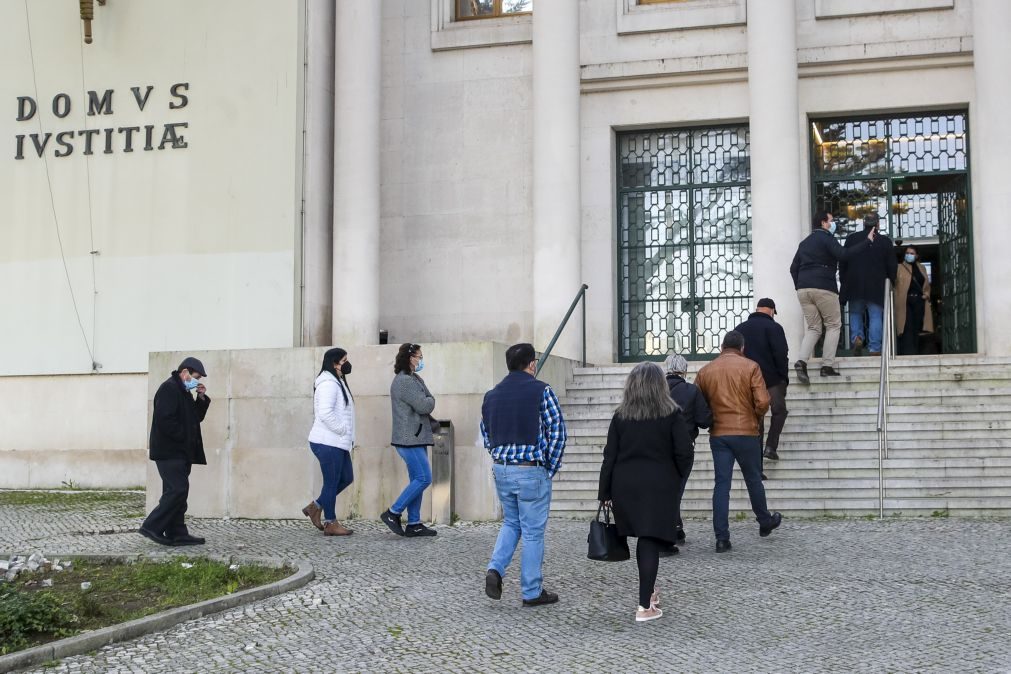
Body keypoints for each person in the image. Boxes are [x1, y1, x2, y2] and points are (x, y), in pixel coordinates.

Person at [598, 362, 694, 623]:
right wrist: (676, 477)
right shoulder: (672, 414)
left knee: (645, 538)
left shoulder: (620, 416)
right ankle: (644, 606)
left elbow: (610, 456)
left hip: (625, 485)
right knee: (649, 539)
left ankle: (649, 594)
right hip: (659, 485)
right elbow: (684, 453)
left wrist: (604, 491)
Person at [481, 343, 567, 607]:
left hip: (502, 468)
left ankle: (495, 569)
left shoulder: (491, 395)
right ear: (532, 364)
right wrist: (548, 467)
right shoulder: (542, 390)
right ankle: (531, 591)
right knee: (532, 532)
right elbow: (557, 433)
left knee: (511, 523)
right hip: (531, 468)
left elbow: (487, 434)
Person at [695, 331, 782, 553]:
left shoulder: (706, 371)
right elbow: (763, 401)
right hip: (747, 432)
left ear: (722, 346)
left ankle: (722, 538)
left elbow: (698, 403)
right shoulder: (751, 367)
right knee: (753, 479)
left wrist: (711, 419)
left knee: (721, 485)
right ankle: (764, 521)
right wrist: (755, 416)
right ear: (742, 348)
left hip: (719, 434)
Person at [790, 211, 874, 382]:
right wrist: (867, 242)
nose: (833, 223)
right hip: (824, 287)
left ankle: (801, 361)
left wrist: (800, 285)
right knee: (833, 324)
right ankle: (827, 366)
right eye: (831, 220)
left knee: (814, 327)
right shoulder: (827, 238)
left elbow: (793, 268)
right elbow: (844, 255)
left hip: (803, 290)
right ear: (823, 223)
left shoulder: (804, 243)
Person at [139, 356, 211, 547]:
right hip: (169, 452)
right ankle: (151, 526)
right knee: (178, 490)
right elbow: (165, 420)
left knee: (178, 491)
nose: (197, 381)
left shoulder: (183, 391)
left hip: (180, 452)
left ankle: (177, 532)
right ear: (185, 372)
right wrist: (184, 437)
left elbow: (195, 418)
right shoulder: (169, 388)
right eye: (196, 377)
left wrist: (201, 398)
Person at [380, 343, 438, 538]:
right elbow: (425, 405)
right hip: (409, 439)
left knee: (417, 479)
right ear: (410, 357)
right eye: (419, 357)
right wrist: (430, 399)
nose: (421, 360)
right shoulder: (405, 381)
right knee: (424, 478)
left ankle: (414, 523)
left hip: (415, 437)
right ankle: (393, 512)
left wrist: (428, 398)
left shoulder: (413, 378)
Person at [303, 347, 355, 537]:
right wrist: (342, 430)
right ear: (334, 363)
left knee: (346, 478)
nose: (347, 364)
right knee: (331, 482)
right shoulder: (328, 383)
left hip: (338, 442)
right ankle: (330, 523)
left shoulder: (336, 381)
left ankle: (315, 507)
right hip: (328, 441)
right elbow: (324, 413)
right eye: (344, 360)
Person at [662, 353, 711, 546]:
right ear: (684, 370)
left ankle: (677, 527)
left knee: (667, 489)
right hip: (683, 447)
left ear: (666, 368)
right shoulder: (691, 391)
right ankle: (671, 531)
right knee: (676, 489)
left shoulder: (656, 390)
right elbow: (704, 420)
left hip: (657, 446)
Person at [734, 298, 789, 462]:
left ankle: (757, 465)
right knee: (779, 411)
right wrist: (783, 378)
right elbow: (781, 355)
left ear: (757, 309)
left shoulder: (739, 329)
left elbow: (734, 354)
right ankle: (771, 447)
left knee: (756, 420)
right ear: (772, 311)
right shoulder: (774, 327)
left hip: (748, 381)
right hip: (771, 380)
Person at [840, 213, 897, 356]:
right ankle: (874, 348)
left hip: (854, 284)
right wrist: (892, 282)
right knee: (876, 316)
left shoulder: (852, 239)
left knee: (855, 313)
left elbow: (843, 261)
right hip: (877, 286)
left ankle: (857, 338)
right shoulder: (885, 242)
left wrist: (844, 281)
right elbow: (892, 266)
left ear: (864, 224)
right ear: (877, 224)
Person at [895, 245, 933, 355]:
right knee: (907, 327)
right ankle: (908, 353)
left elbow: (926, 284)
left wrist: (926, 294)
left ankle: (916, 352)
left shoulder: (922, 268)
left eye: (912, 253)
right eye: (907, 253)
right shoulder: (899, 268)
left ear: (916, 256)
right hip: (905, 301)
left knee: (917, 327)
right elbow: (895, 285)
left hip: (919, 301)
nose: (909, 255)